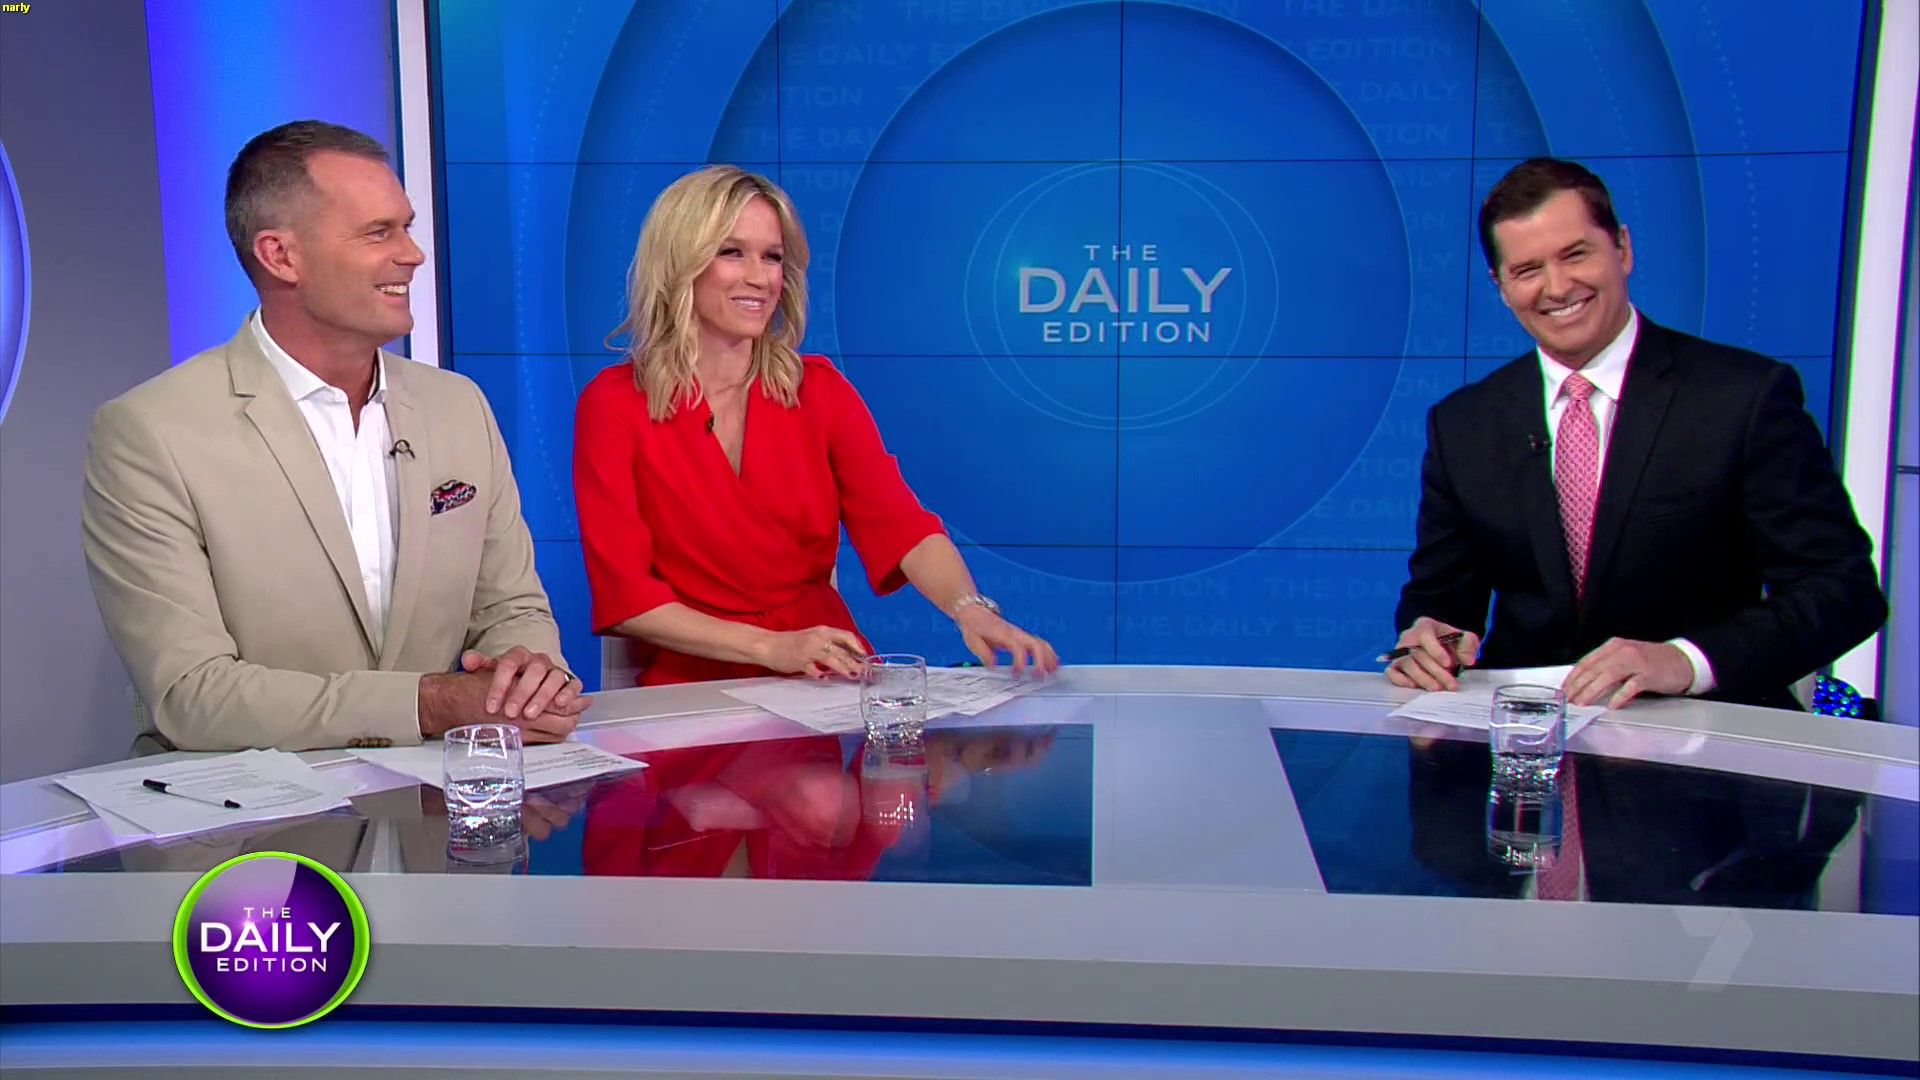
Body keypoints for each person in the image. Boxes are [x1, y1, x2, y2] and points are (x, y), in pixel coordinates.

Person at [82, 120, 586, 753]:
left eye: (406, 227)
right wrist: (429, 704)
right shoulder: (151, 433)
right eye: (378, 232)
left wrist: (530, 679)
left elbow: (511, 609)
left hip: (442, 801)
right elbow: (193, 695)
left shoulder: (459, 407)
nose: (413, 254)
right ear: (280, 256)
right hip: (252, 811)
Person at [1389, 158, 1885, 712]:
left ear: (1622, 248)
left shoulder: (1743, 398)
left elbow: (1843, 590)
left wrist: (1685, 661)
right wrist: (1429, 639)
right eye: (1527, 270)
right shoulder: (1464, 425)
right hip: (1526, 741)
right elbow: (1441, 601)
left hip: (1705, 740)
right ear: (1501, 287)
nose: (1558, 287)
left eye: (1576, 254)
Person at [574, 165, 1059, 685]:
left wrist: (970, 608)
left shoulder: (819, 392)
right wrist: (769, 647)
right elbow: (627, 598)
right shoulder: (615, 405)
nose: (760, 278)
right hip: (695, 681)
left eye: (772, 257)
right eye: (732, 252)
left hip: (824, 670)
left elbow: (903, 526)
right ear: (679, 262)